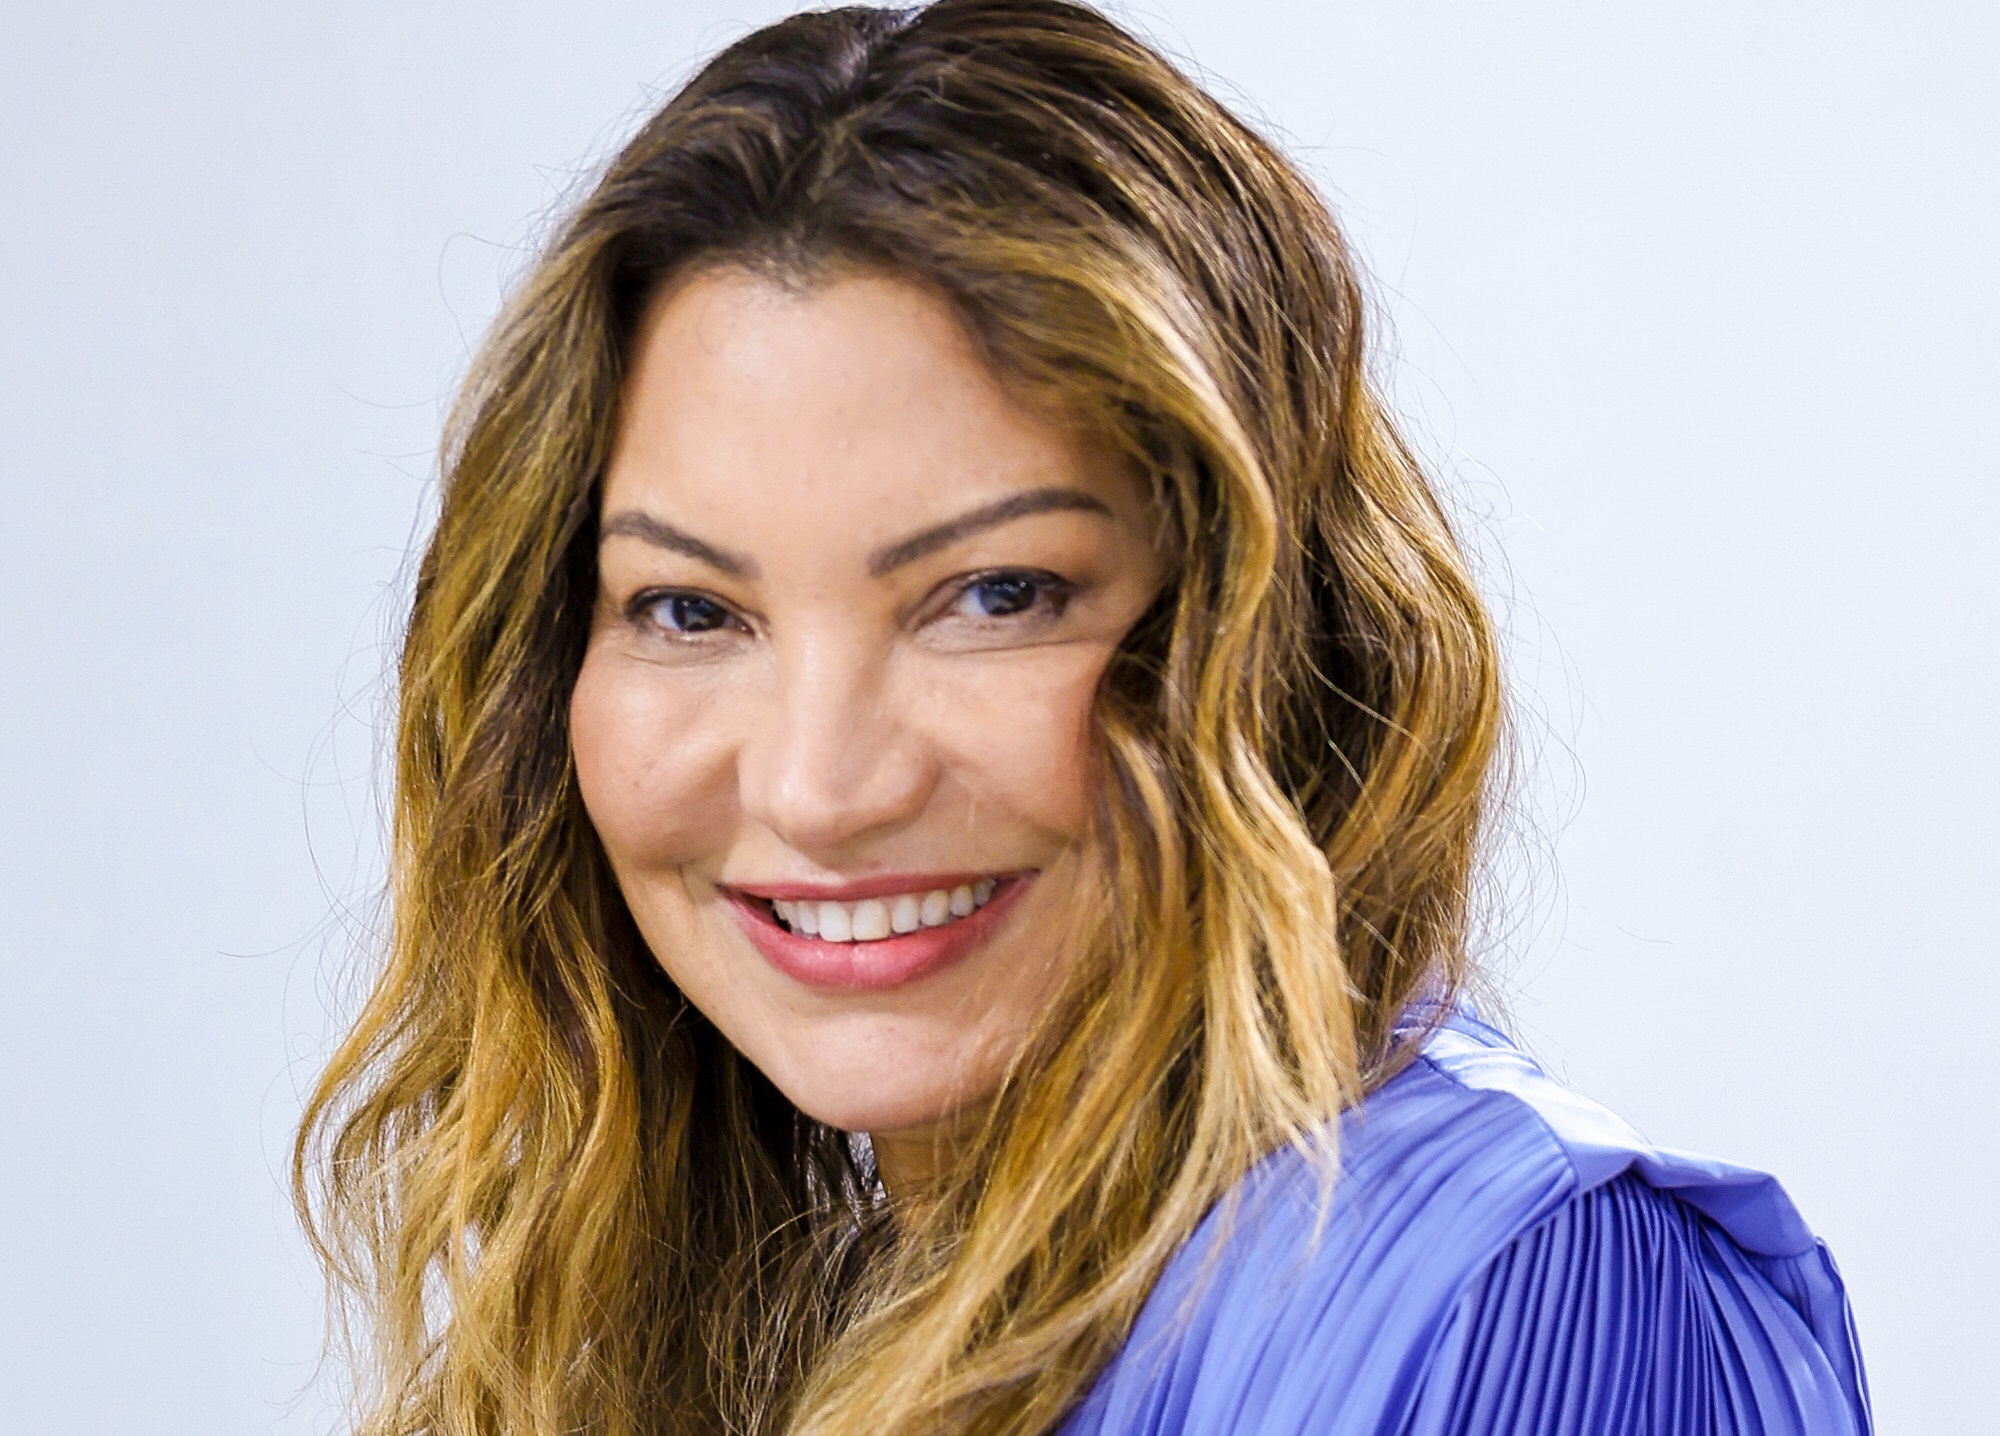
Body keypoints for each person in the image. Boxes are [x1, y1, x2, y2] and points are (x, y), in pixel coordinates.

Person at [294, 2, 1872, 1432]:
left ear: (1270, 632)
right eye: (691, 611)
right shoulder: (784, 1319)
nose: (820, 788)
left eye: (997, 595)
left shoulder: (1521, 1296)